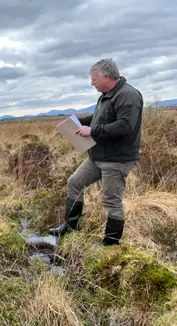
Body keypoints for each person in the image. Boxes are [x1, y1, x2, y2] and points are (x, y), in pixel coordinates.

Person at [48, 58, 143, 246]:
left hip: (117, 159)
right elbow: (99, 117)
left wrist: (92, 131)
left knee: (111, 199)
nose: (92, 83)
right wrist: (79, 122)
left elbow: (125, 126)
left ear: (106, 76)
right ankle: (70, 227)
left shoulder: (128, 95)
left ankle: (110, 243)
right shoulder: (106, 95)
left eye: (94, 79)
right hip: (97, 156)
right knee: (74, 182)